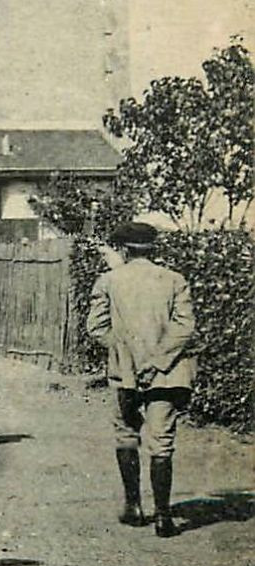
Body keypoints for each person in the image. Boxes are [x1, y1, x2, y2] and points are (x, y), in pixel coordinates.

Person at [86, 221, 196, 538]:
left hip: (125, 373)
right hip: (168, 372)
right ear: (152, 249)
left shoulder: (108, 281)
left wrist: (125, 352)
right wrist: (157, 361)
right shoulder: (175, 280)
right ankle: (163, 517)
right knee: (162, 441)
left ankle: (134, 507)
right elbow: (184, 328)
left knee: (126, 434)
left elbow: (96, 329)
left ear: (122, 250)